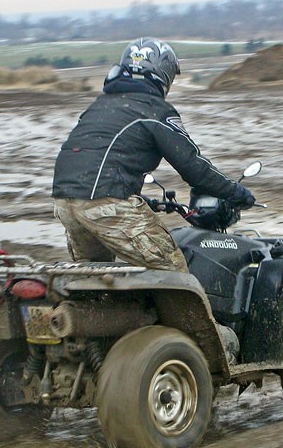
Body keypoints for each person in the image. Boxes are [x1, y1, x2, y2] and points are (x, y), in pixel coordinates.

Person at [52, 37, 255, 272]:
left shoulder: (100, 106)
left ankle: (81, 309)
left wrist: (137, 198)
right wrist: (237, 193)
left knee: (96, 275)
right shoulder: (154, 110)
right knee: (173, 271)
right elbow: (193, 166)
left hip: (65, 202)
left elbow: (98, 157)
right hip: (106, 202)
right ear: (163, 74)